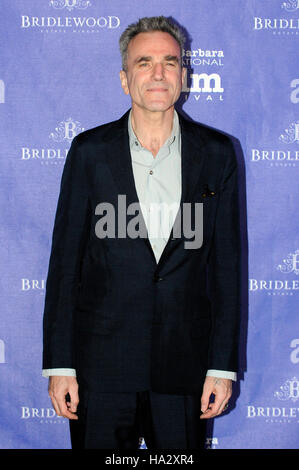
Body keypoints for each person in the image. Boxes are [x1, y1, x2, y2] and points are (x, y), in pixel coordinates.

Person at [42, 16, 241, 449]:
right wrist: (60, 365)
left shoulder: (218, 154)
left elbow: (226, 270)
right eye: (144, 62)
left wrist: (222, 367)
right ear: (124, 78)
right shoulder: (89, 153)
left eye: (170, 62)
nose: (157, 73)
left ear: (184, 76)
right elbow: (64, 267)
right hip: (100, 369)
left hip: (184, 368)